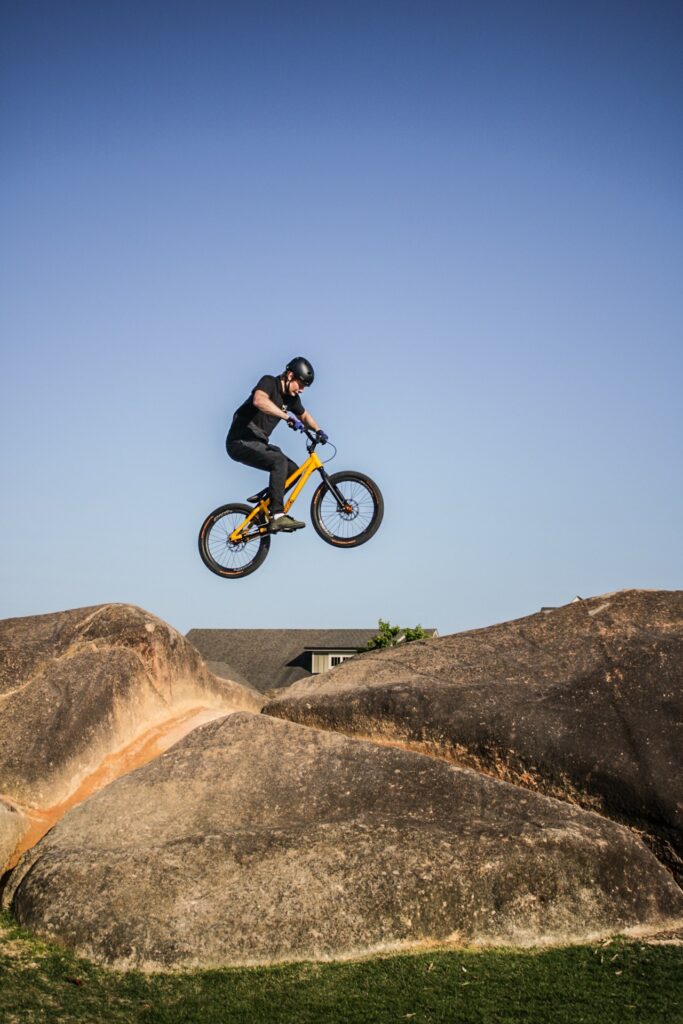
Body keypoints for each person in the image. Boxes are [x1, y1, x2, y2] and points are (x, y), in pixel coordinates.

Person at [226, 357, 327, 533]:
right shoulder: (269, 382)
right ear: (290, 375)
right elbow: (259, 401)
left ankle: (268, 503)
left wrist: (318, 430)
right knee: (278, 461)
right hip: (240, 440)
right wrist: (286, 417)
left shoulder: (292, 399)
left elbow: (304, 416)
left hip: (258, 443)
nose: (301, 390)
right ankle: (277, 515)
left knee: (294, 471)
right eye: (300, 384)